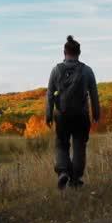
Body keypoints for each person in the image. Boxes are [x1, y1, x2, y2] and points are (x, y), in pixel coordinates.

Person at [45, 35, 100, 189]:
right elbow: (94, 94)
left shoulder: (56, 70)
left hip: (62, 115)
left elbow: (49, 94)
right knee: (79, 147)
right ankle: (75, 179)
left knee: (61, 145)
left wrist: (48, 115)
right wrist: (96, 113)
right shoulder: (87, 71)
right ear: (79, 52)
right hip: (81, 116)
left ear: (64, 52)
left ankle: (63, 172)